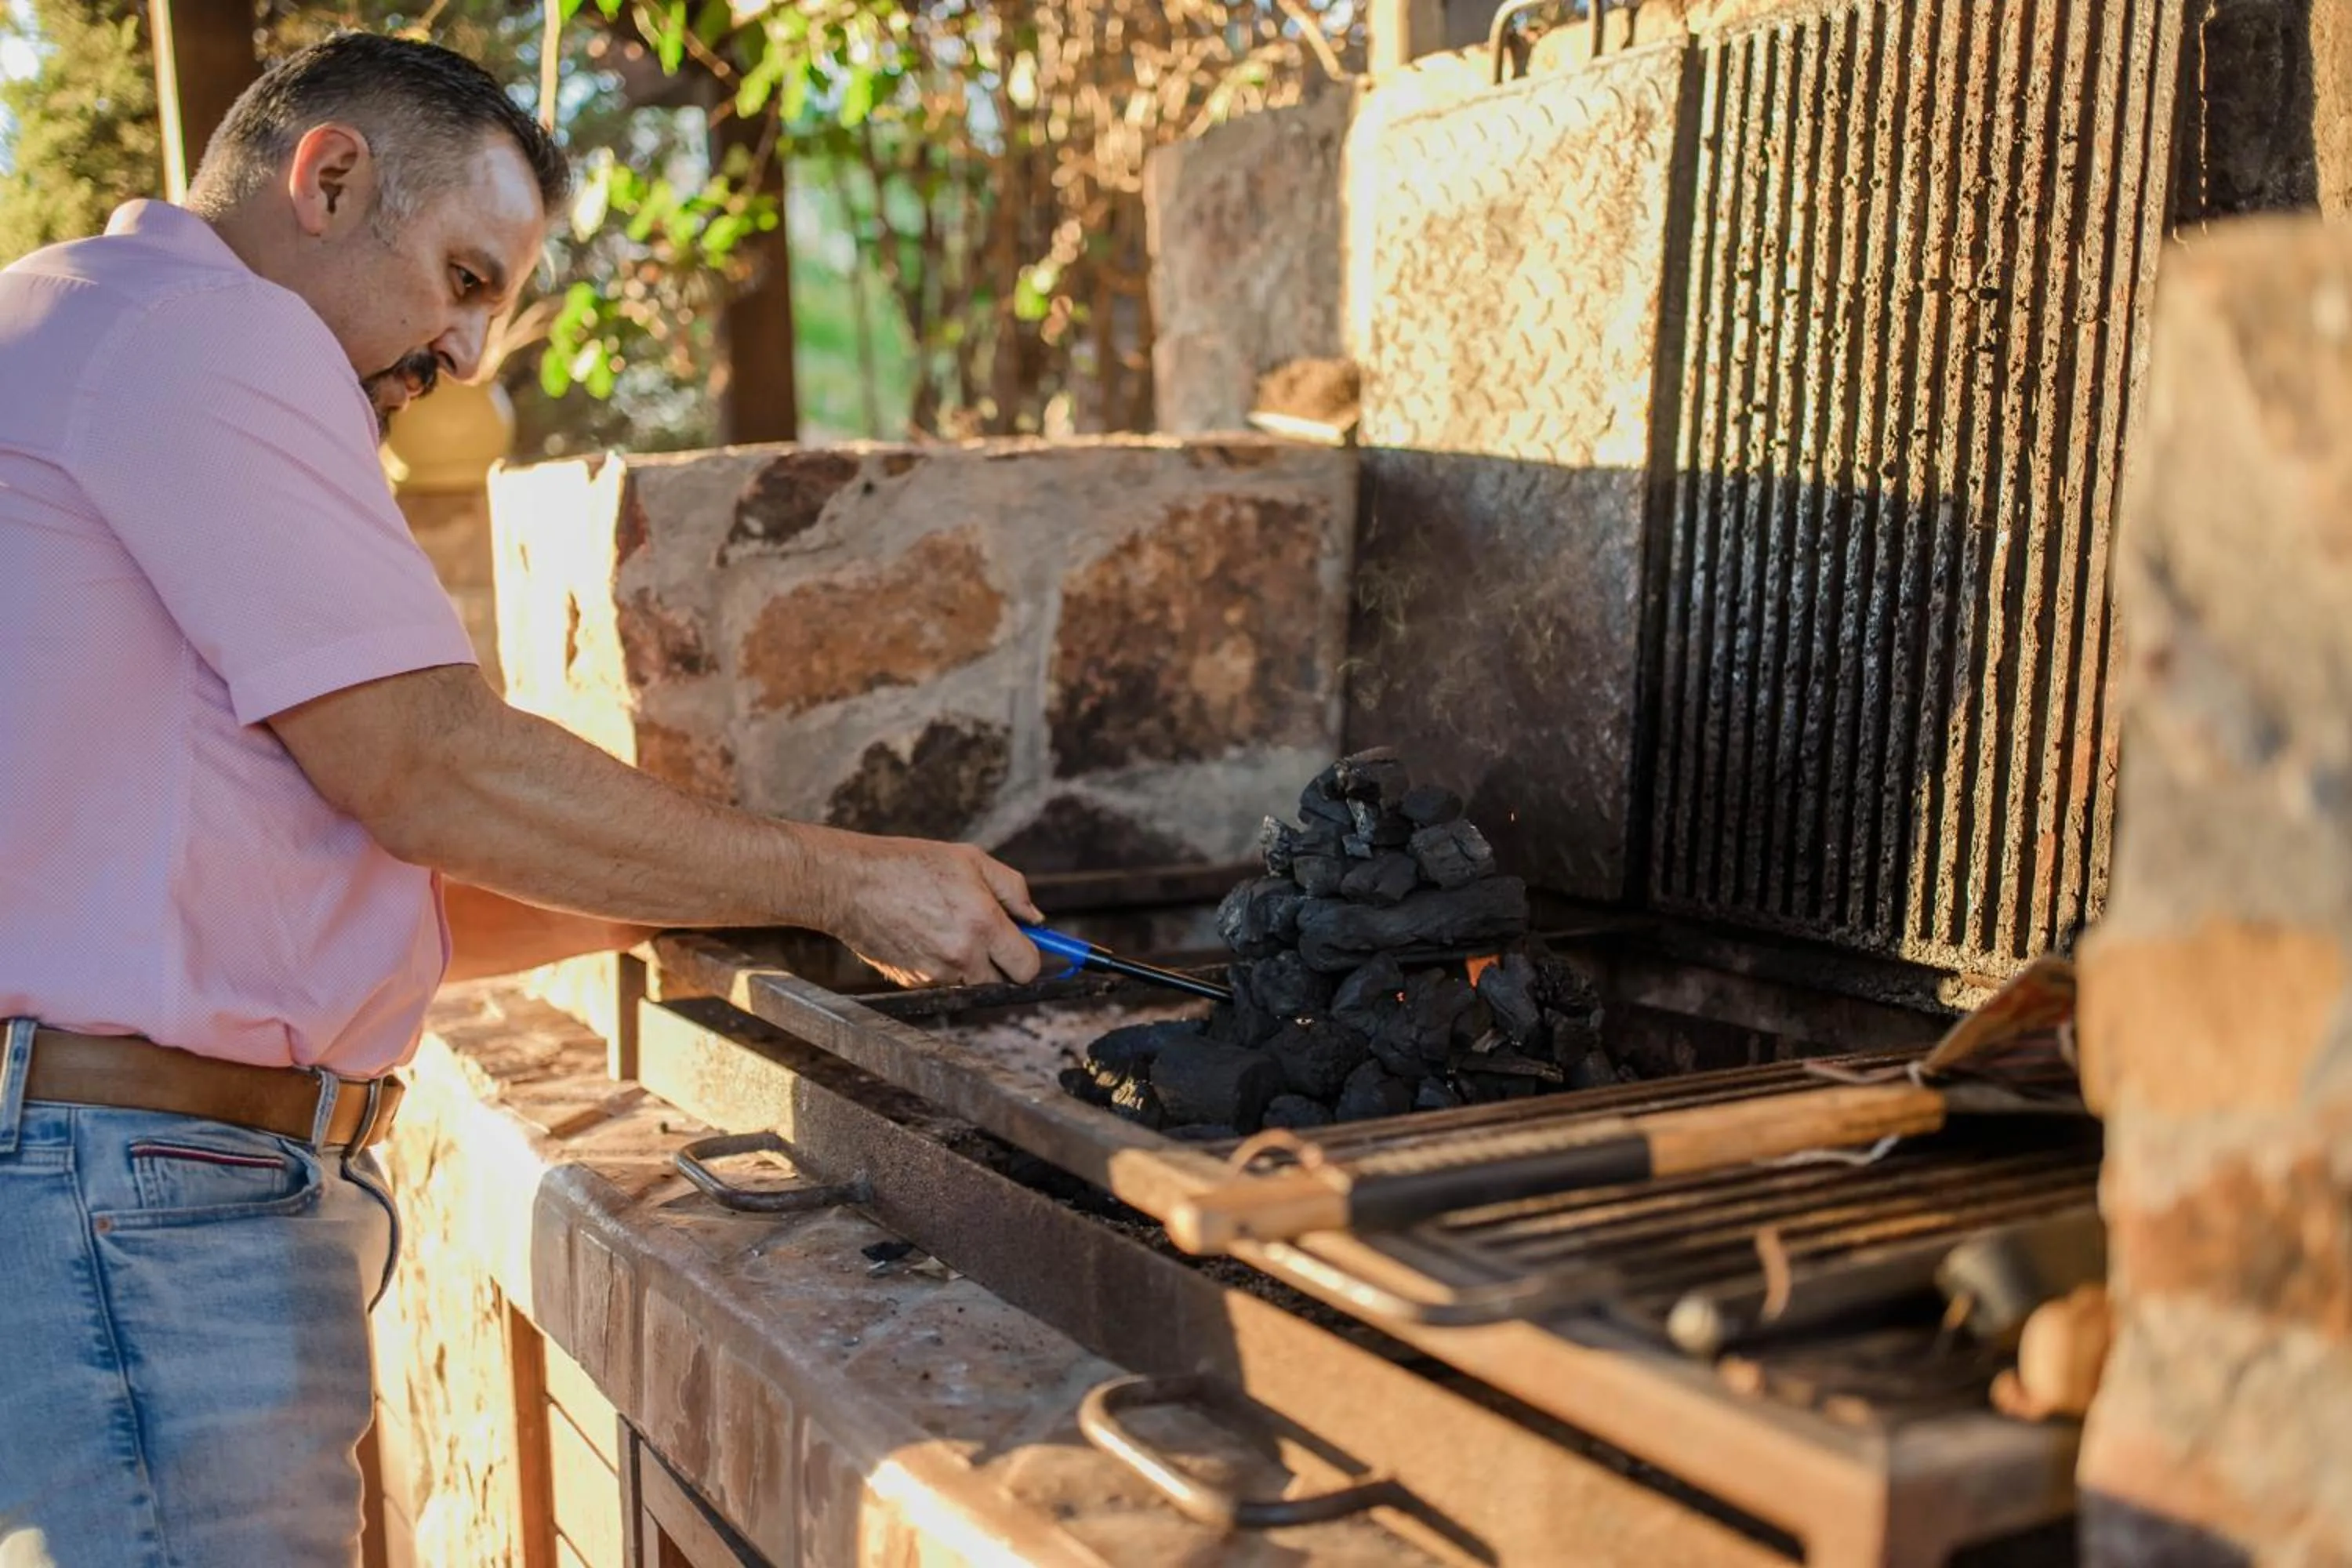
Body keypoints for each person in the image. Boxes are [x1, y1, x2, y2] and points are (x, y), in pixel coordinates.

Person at [0, 31, 1044, 1566]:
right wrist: (839, 876)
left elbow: (357, 885)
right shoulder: (209, 338)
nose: (468, 356)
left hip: (122, 1193)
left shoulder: (80, 320)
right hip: (146, 1212)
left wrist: (708, 901)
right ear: (331, 177)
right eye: (467, 278)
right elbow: (429, 763)